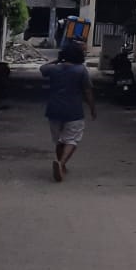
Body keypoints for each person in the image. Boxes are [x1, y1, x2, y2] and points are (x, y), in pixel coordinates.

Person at [40, 40, 95, 182]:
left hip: (54, 109)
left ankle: (60, 166)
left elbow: (42, 69)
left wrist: (58, 60)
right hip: (74, 110)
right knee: (72, 140)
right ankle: (61, 163)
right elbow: (88, 91)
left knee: (59, 140)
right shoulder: (81, 70)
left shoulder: (54, 69)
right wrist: (92, 108)